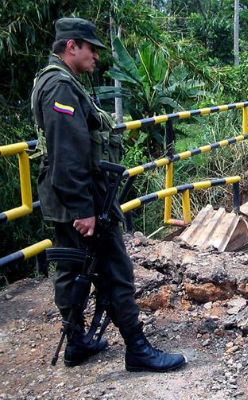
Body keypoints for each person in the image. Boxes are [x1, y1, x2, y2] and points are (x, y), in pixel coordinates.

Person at [31, 17, 186, 372]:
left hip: (69, 199)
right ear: (72, 46)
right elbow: (66, 153)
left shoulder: (57, 80)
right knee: (115, 270)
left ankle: (77, 344)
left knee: (72, 270)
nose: (96, 56)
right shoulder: (60, 87)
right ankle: (137, 348)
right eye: (91, 49)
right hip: (81, 202)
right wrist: (83, 209)